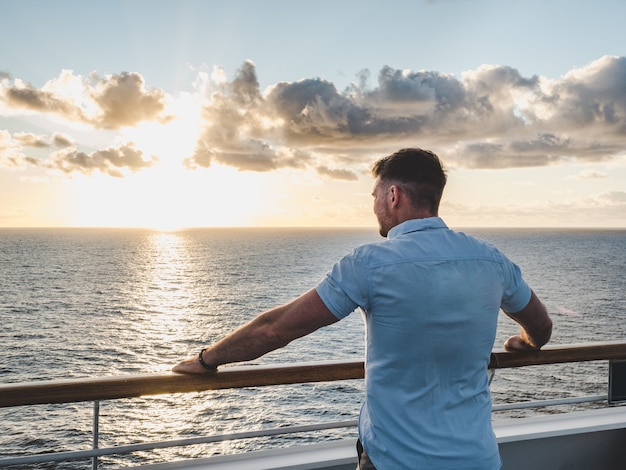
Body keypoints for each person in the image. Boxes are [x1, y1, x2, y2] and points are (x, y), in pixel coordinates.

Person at [173, 148, 553, 469]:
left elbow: (277, 328)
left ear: (392, 195)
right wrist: (525, 342)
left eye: (374, 196)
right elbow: (541, 326)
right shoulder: (490, 260)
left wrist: (208, 359)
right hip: (477, 459)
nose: (373, 206)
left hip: (396, 461)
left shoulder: (369, 264)